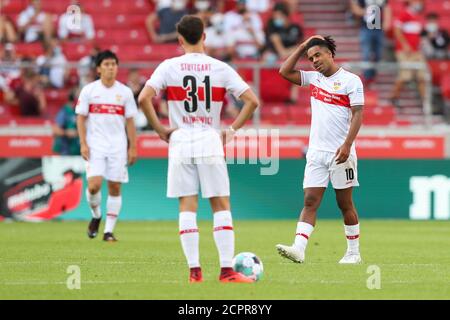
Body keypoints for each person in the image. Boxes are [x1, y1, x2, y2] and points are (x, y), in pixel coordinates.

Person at [138, 15, 260, 283]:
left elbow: (144, 97)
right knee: (220, 204)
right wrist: (231, 130)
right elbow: (252, 100)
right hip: (209, 140)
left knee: (187, 206)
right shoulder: (220, 68)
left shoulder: (169, 66)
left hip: (180, 142)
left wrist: (159, 129)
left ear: (179, 39)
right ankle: (227, 271)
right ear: (204, 36)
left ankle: (195, 272)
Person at [277, 35, 364, 264]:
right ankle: (299, 248)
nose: (314, 60)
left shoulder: (351, 80)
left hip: (340, 152)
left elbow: (358, 114)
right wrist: (303, 46)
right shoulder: (314, 79)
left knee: (344, 204)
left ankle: (353, 253)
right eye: (310, 57)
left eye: (317, 55)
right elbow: (284, 72)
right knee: (310, 201)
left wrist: (347, 144)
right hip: (316, 152)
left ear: (330, 54)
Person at [76, 50, 138, 242]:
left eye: (113, 64)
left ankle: (108, 232)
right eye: (107, 65)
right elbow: (80, 117)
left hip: (118, 146)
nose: (111, 68)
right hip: (96, 145)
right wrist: (83, 143)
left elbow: (130, 122)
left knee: (114, 187)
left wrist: (133, 147)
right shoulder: (89, 91)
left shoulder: (125, 92)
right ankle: (96, 216)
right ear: (98, 69)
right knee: (94, 186)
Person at [389, 0, 426, 105]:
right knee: (405, 76)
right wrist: (405, 45)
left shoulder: (418, 16)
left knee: (422, 76)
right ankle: (394, 96)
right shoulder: (404, 14)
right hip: (404, 52)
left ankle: (425, 102)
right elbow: (396, 30)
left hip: (416, 51)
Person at [349, 0, 391, 85]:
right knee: (366, 54)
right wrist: (367, 11)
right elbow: (355, 7)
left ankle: (372, 75)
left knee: (379, 54)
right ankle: (367, 77)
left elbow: (387, 7)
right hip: (366, 28)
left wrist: (387, 21)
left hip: (378, 28)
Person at [53, 90, 80, 155]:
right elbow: (55, 130)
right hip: (66, 149)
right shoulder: (64, 112)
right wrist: (67, 132)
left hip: (77, 149)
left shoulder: (78, 112)